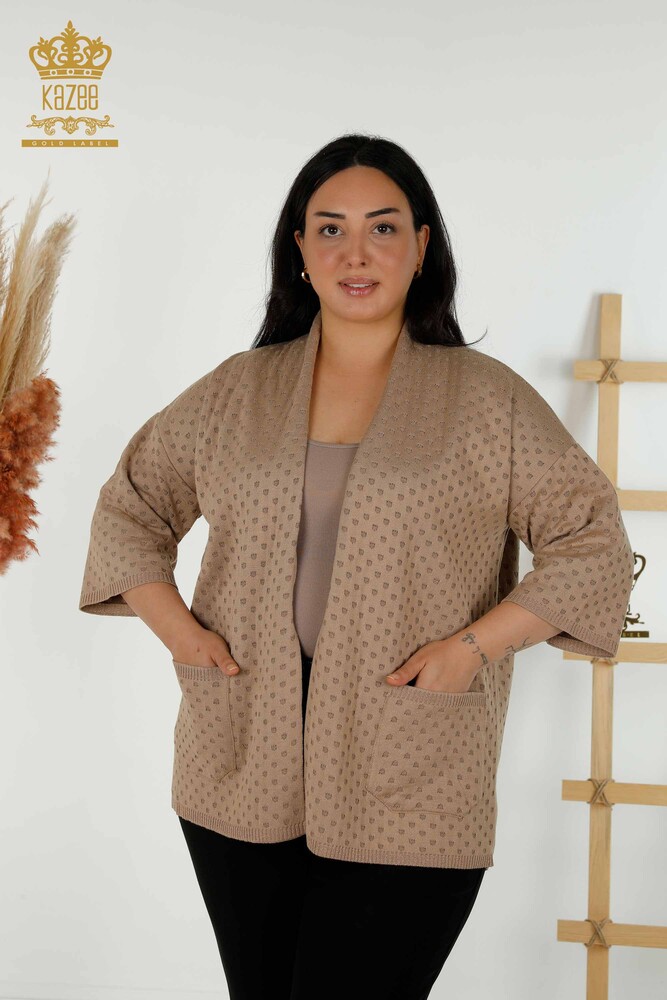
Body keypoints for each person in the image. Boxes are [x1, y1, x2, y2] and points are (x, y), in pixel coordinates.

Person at [79, 133, 635, 1000]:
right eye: (329, 229)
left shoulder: (485, 399)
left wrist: (471, 651)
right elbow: (131, 506)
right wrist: (180, 633)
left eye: (382, 227)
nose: (356, 252)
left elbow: (591, 539)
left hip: (413, 761)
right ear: (298, 251)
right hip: (240, 754)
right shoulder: (236, 389)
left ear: (421, 246)